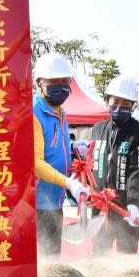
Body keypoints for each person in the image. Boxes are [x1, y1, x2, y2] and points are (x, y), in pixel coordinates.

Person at [32, 53, 89, 257]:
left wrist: (73, 148)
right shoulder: (35, 113)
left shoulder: (60, 113)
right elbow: (35, 162)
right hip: (38, 204)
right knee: (44, 262)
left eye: (65, 81)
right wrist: (67, 183)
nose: (61, 86)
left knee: (53, 258)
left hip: (55, 202)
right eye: (54, 81)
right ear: (39, 82)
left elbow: (54, 148)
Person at [88, 75, 139, 255]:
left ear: (133, 105)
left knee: (127, 256)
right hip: (101, 208)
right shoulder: (97, 130)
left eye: (126, 103)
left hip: (127, 209)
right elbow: (90, 165)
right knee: (99, 254)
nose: (120, 106)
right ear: (108, 101)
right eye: (116, 101)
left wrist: (135, 204)